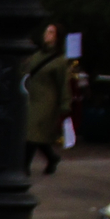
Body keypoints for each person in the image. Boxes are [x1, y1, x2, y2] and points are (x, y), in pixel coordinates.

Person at [21, 22, 75, 176]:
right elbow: (26, 71)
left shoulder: (60, 61)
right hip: (33, 97)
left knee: (32, 132)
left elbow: (63, 84)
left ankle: (24, 166)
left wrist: (65, 104)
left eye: (51, 32)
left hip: (47, 101)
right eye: (46, 31)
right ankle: (52, 157)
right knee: (36, 134)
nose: (47, 35)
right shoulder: (37, 55)